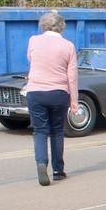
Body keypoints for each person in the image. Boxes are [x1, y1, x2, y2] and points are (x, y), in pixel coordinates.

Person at [25, 10, 78, 186]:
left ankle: (41, 163)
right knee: (57, 131)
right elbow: (72, 77)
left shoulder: (33, 40)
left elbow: (30, 60)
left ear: (43, 26)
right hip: (58, 93)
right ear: (61, 27)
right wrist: (74, 101)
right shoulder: (68, 46)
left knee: (40, 131)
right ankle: (58, 170)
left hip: (36, 91)